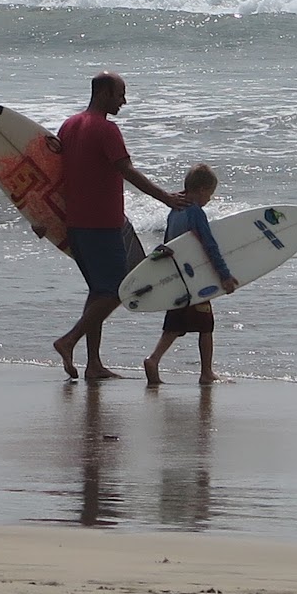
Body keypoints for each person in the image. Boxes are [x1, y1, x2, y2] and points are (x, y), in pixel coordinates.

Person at [53, 71, 188, 380]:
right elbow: (127, 170)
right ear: (103, 94)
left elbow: (54, 176)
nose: (124, 101)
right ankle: (68, 340)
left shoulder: (69, 126)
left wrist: (43, 218)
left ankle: (94, 365)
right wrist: (166, 198)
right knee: (116, 291)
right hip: (101, 224)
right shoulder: (106, 130)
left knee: (98, 292)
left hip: (77, 223)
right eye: (120, 94)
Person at [144, 163, 239, 386]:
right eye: (210, 195)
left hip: (178, 277)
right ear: (203, 190)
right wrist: (224, 274)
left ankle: (154, 359)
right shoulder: (196, 212)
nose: (209, 200)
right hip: (196, 278)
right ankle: (206, 372)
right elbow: (209, 244)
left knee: (175, 324)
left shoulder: (174, 210)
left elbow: (168, 244)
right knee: (206, 326)